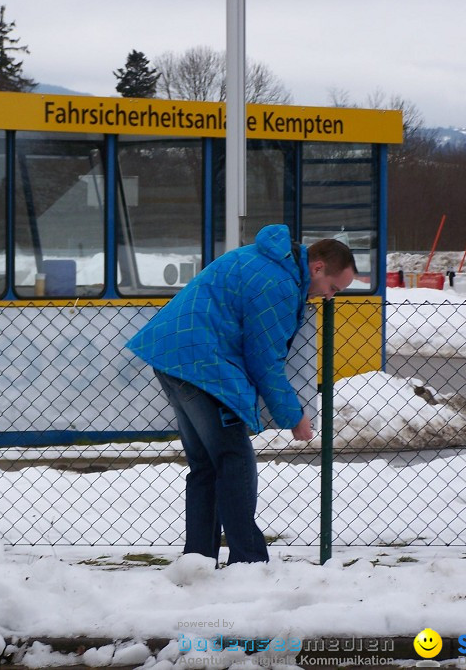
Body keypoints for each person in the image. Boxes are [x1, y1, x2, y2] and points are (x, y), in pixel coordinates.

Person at [126, 224, 356, 564]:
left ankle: (199, 560)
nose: (330, 296)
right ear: (317, 267)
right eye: (332, 287)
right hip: (201, 364)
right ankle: (248, 561)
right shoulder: (278, 283)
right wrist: (294, 416)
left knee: (207, 465)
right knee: (235, 460)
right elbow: (265, 358)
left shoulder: (267, 262)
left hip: (175, 355)